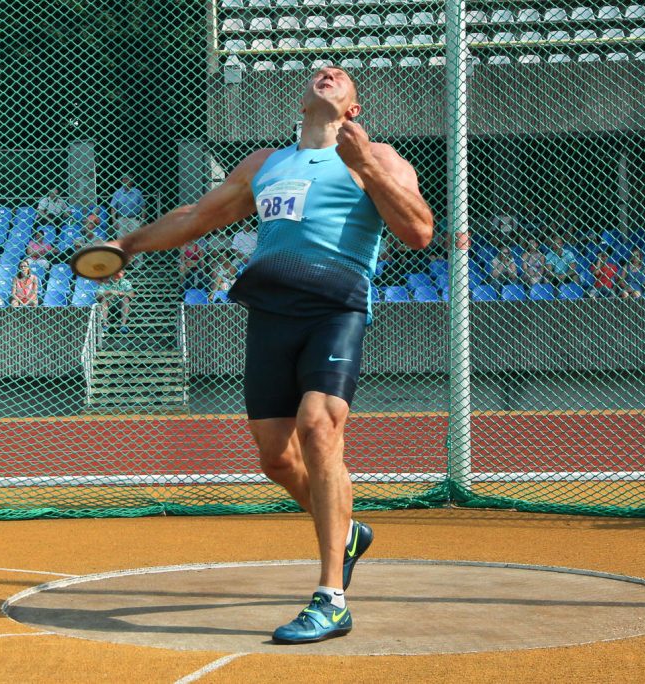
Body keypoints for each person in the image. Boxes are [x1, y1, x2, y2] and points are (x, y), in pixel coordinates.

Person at [99, 66, 433, 644]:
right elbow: (197, 218)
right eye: (319, 72)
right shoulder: (264, 163)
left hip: (336, 307)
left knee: (319, 427)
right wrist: (128, 244)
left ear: (353, 108)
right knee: (275, 458)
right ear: (302, 100)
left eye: (341, 76)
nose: (327, 73)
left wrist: (368, 166)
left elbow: (420, 231)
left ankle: (332, 598)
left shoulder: (378, 155)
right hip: (271, 315)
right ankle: (347, 531)